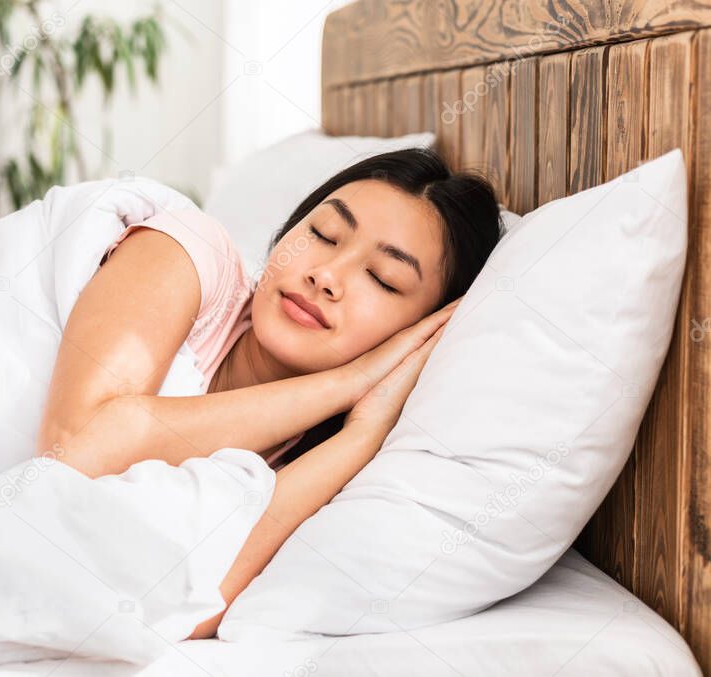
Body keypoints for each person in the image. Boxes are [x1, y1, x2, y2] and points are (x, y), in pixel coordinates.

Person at [36, 146, 502, 639]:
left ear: (417, 335)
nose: (326, 274)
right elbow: (73, 452)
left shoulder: (310, 469)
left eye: (382, 279)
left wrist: (361, 435)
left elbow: (181, 605)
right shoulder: (190, 254)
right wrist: (349, 380)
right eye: (322, 235)